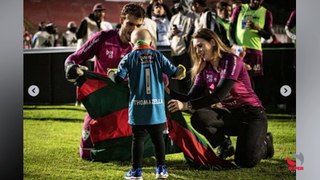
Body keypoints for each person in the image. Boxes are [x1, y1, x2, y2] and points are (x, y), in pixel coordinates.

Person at [167, 28, 274, 167]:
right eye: (195, 48)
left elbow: (218, 95)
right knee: (198, 118)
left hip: (252, 115)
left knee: (244, 162)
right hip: (230, 115)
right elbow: (190, 97)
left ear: (212, 42)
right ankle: (224, 145)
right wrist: (167, 89)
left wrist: (186, 106)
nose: (198, 51)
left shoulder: (231, 60)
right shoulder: (204, 69)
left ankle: (265, 143)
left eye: (200, 46)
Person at [64, 3, 146, 160]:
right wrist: (70, 67)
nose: (133, 29)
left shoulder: (142, 45)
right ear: (122, 20)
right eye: (130, 23)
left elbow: (158, 71)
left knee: (128, 153)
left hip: (126, 106)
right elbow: (74, 57)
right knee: (86, 153)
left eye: (138, 25)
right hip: (100, 103)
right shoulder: (103, 38)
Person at [109, 28, 185, 180]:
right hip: (156, 109)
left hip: (138, 109)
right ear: (151, 42)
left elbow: (118, 79)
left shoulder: (128, 57)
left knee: (138, 140)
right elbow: (175, 73)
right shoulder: (158, 55)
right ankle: (161, 170)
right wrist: (181, 70)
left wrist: (111, 74)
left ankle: (136, 172)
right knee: (158, 140)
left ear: (131, 44)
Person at [229, 0, 273, 90]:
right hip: (239, 49)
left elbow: (268, 36)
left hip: (254, 51)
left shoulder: (266, 13)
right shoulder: (240, 8)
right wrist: (233, 44)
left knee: (251, 80)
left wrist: (258, 28)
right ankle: (238, 102)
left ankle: (251, 102)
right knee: (236, 78)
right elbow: (231, 29)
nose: (255, 1)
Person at [167, 1, 193, 94]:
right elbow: (168, 34)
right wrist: (173, 32)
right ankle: (182, 99)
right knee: (178, 77)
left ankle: (189, 100)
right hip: (175, 52)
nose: (177, 6)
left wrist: (185, 35)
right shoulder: (174, 17)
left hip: (186, 52)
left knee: (188, 78)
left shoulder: (192, 17)